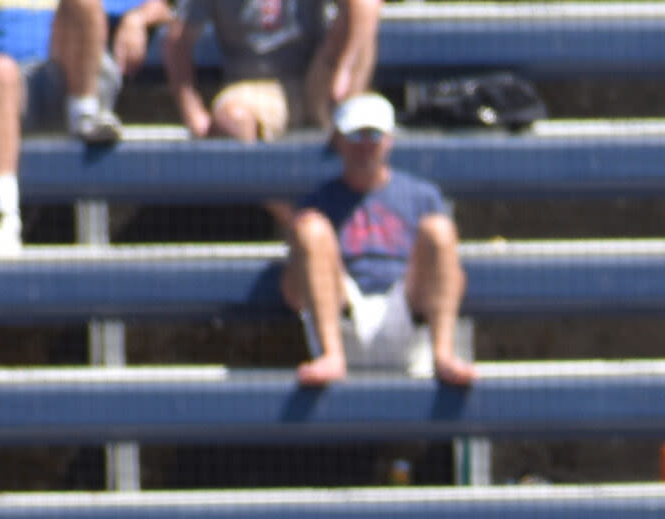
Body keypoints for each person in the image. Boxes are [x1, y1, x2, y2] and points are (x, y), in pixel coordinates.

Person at [284, 93, 472, 388]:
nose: (364, 145)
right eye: (355, 135)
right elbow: (293, 292)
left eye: (373, 134)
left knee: (439, 230)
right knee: (311, 228)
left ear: (389, 138)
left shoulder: (422, 196)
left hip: (406, 305)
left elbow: (451, 275)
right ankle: (331, 354)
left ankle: (443, 353)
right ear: (339, 140)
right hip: (343, 307)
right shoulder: (318, 201)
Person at [0, 0, 145, 254]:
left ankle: (85, 117)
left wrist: (136, 18)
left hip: (69, 78)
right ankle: (2, 214)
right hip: (5, 90)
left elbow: (157, 5)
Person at [165, 0, 375, 146]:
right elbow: (177, 41)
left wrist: (344, 70)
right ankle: (288, 211)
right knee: (233, 120)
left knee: (362, 13)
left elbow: (365, 7)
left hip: (317, 80)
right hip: (256, 88)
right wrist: (193, 111)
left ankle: (351, 119)